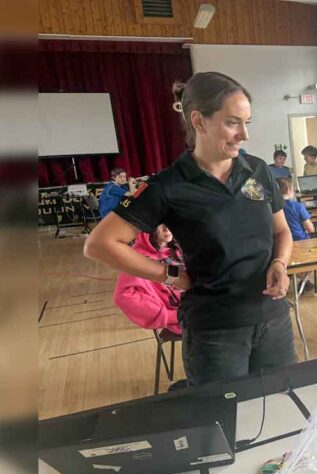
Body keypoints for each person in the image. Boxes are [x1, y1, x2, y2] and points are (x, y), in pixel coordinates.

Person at [84, 71, 296, 386]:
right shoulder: (169, 185)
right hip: (215, 331)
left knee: (281, 402)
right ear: (198, 121)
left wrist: (280, 262)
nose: (244, 135)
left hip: (273, 320)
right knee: (222, 414)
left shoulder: (258, 170)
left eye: (247, 123)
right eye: (233, 123)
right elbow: (100, 244)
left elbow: (281, 232)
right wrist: (171, 275)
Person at [114, 224, 183, 334]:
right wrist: (172, 316)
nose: (166, 228)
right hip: (184, 318)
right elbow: (123, 297)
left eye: (170, 221)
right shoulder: (137, 258)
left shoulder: (179, 246)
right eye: (160, 223)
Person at [277, 177, 316, 292]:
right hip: (301, 242)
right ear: (289, 190)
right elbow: (311, 229)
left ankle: (293, 276)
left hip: (280, 245)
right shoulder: (297, 206)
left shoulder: (273, 208)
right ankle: (303, 280)